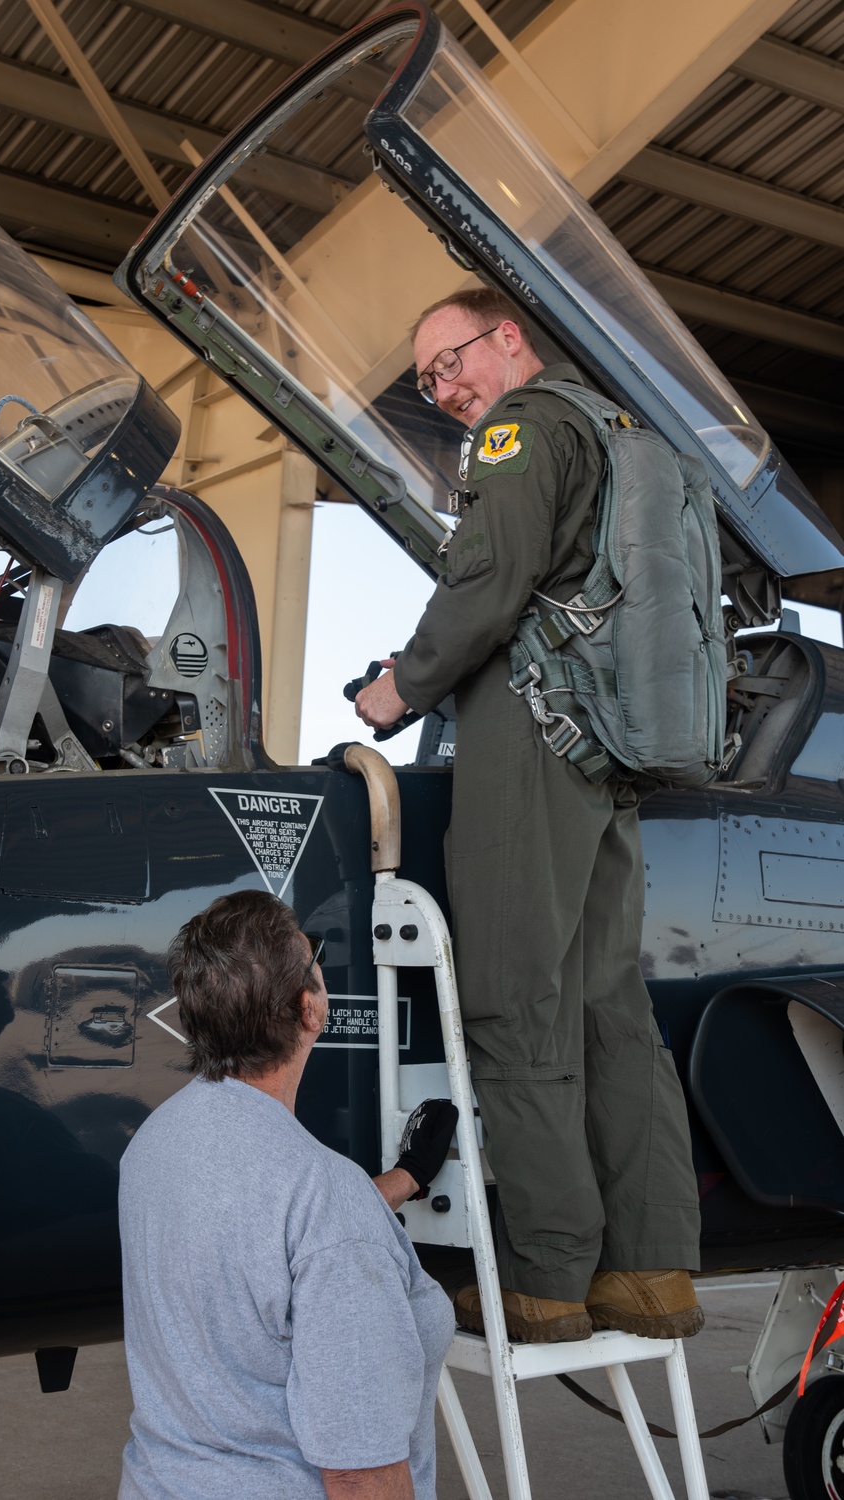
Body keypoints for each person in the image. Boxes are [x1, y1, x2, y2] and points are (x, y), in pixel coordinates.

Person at [355, 285, 703, 1346]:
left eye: (451, 360)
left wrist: (398, 688)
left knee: (513, 1001)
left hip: (529, 745)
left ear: (510, 340)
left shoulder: (519, 432)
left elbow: (489, 581)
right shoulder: (614, 430)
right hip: (602, 751)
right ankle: (651, 1272)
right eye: (426, 379)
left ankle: (548, 1279)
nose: (444, 388)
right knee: (610, 1007)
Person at [117, 889, 457, 1500]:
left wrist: (406, 1177)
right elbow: (359, 1472)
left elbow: (256, 1238)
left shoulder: (154, 1144)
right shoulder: (323, 1197)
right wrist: (360, 1200)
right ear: (310, 1008)